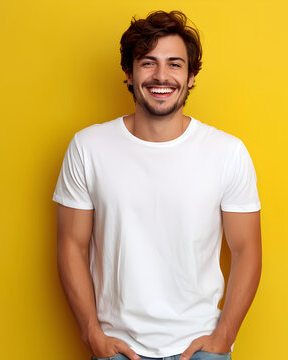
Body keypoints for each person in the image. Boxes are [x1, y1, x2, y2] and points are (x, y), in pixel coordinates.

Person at [53, 10, 262, 360]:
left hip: (200, 348)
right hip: (117, 348)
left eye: (175, 64)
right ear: (129, 73)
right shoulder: (88, 148)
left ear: (192, 75)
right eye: (148, 63)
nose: (161, 76)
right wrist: (92, 333)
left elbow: (247, 250)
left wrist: (224, 337)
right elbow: (71, 245)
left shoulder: (227, 152)